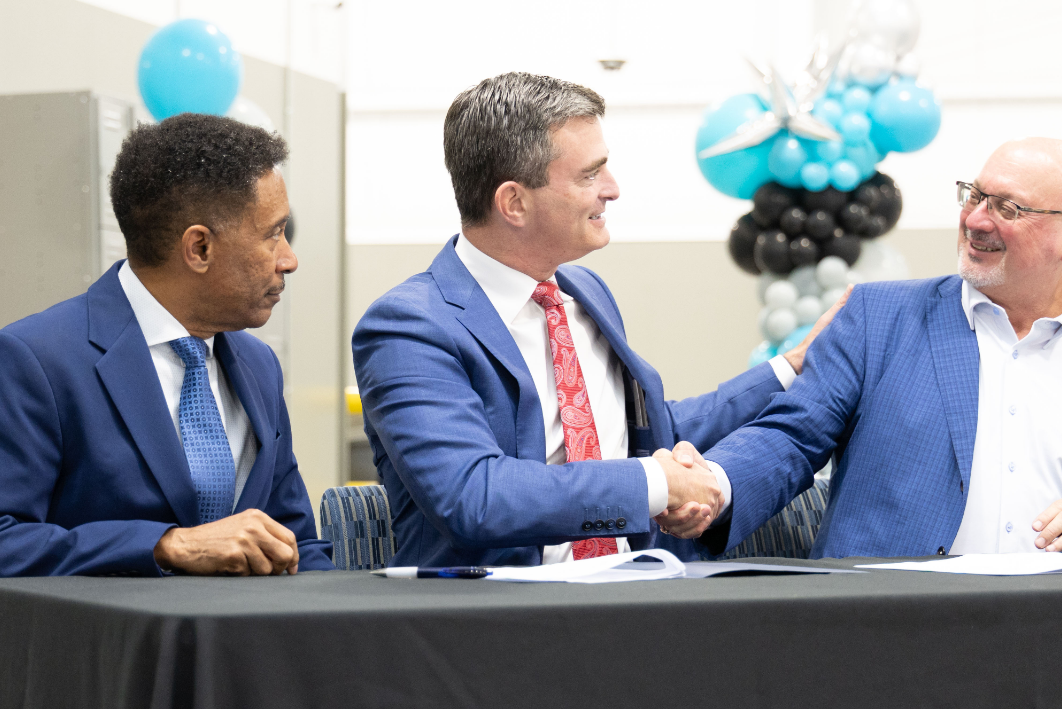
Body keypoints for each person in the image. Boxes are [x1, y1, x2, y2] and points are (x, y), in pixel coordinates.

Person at [352, 72, 846, 568]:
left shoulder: (586, 293)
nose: (612, 189)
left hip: (635, 597)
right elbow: (475, 495)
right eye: (590, 174)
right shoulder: (407, 327)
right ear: (514, 203)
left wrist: (791, 367)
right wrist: (658, 484)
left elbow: (653, 431)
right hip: (496, 623)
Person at [681, 137, 1062, 557]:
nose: (976, 220)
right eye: (975, 195)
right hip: (891, 631)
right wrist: (715, 487)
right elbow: (790, 438)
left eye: (1009, 208)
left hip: (1059, 645)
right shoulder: (877, 319)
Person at [0, 114, 333, 603]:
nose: (289, 258)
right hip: (93, 669)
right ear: (199, 247)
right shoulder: (34, 361)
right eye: (274, 233)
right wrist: (165, 546)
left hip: (230, 666)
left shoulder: (257, 366)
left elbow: (297, 546)